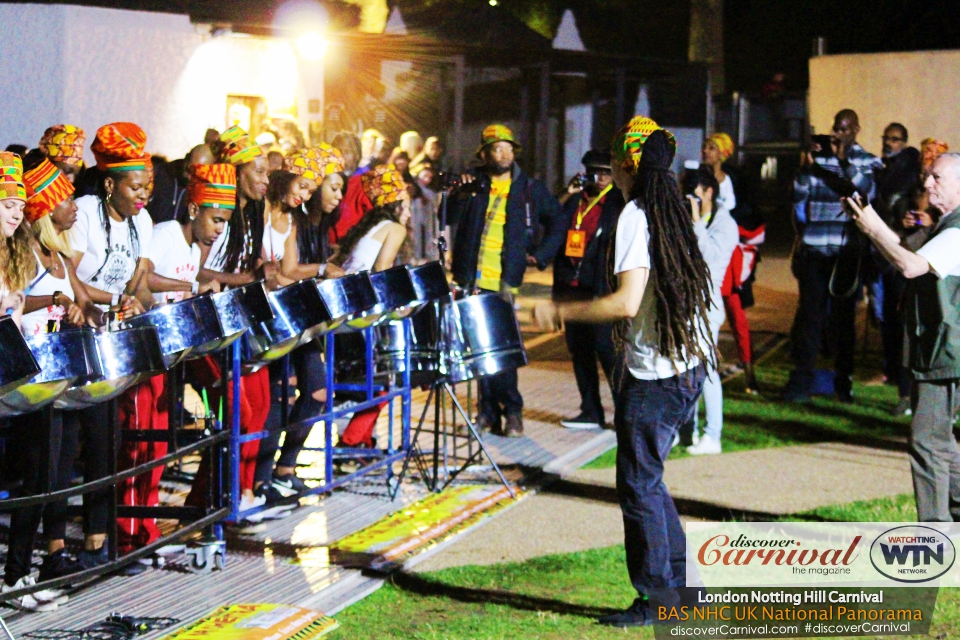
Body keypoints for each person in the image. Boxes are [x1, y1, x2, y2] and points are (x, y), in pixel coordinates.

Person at [532, 121, 713, 627]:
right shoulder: (675, 206)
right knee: (648, 482)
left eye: (613, 163)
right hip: (684, 366)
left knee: (637, 485)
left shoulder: (636, 213)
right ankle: (679, 590)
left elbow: (626, 301)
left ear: (625, 166)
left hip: (658, 374)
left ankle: (658, 599)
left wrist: (565, 311)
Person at [845, 152, 960, 522]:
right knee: (940, 442)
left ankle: (936, 536)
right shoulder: (946, 226)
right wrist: (873, 223)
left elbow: (909, 266)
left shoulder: (957, 231)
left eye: (938, 178)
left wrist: (872, 229)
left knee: (927, 442)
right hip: (942, 348)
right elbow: (905, 251)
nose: (927, 184)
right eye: (928, 176)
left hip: (945, 351)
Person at [70, 123, 157, 563]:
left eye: (147, 186)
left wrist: (146, 307)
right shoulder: (85, 211)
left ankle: (100, 544)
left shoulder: (142, 221)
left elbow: (139, 284)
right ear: (110, 183)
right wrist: (115, 298)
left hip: (113, 342)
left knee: (108, 441)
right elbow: (73, 276)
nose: (143, 195)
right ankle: (57, 547)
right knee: (70, 445)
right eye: (134, 186)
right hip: (75, 336)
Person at [449, 124, 565, 437]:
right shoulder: (475, 185)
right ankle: (487, 415)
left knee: (502, 352)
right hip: (472, 279)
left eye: (508, 148)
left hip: (504, 282)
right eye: (496, 149)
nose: (503, 154)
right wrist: (458, 191)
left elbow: (558, 221)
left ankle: (512, 412)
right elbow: (447, 217)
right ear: (484, 154)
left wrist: (540, 255)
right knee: (479, 352)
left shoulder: (529, 189)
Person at [254, 145, 347, 504]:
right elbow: (260, 265)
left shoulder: (293, 221)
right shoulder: (261, 212)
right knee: (276, 396)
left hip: (288, 314)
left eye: (310, 190)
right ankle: (262, 481)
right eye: (303, 186)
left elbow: (290, 271)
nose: (305, 195)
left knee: (315, 391)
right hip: (265, 316)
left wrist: (324, 269)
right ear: (289, 176)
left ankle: (281, 473)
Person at [785, 108, 881, 403]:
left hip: (846, 253)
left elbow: (865, 192)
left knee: (843, 321)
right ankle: (801, 382)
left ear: (856, 130)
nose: (837, 134)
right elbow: (800, 197)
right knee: (811, 319)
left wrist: (842, 161)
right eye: (835, 128)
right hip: (816, 248)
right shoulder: (818, 158)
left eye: (844, 129)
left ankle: (843, 382)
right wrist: (804, 170)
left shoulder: (866, 160)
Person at [334, 164, 412, 450]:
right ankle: (352, 441)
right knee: (383, 382)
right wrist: (399, 309)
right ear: (398, 202)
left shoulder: (372, 225)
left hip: (344, 309)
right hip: (358, 314)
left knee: (377, 380)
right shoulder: (395, 228)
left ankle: (362, 440)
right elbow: (382, 270)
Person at [553, 149, 625, 430]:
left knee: (607, 350)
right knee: (579, 350)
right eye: (597, 172)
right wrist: (565, 193)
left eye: (608, 172)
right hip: (572, 287)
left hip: (600, 288)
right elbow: (552, 225)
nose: (602, 178)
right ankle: (590, 411)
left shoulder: (617, 202)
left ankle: (623, 412)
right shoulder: (574, 201)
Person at [702, 132, 763, 393]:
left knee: (735, 310)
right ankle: (705, 365)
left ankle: (748, 368)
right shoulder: (696, 178)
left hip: (730, 252)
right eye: (705, 146)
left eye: (712, 147)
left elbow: (750, 211)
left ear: (724, 153)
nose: (706, 151)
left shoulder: (734, 180)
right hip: (703, 247)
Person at [683, 166, 738, 455]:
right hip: (685, 302)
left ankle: (712, 435)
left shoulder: (725, 224)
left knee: (706, 371)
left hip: (707, 304)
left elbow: (710, 261)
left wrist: (696, 224)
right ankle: (688, 430)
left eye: (696, 195)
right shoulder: (694, 217)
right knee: (685, 369)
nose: (691, 201)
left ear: (709, 192)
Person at [872, 123, 922, 414]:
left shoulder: (907, 171)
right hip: (886, 257)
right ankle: (895, 379)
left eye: (895, 139)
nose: (889, 143)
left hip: (904, 255)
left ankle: (906, 392)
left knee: (905, 328)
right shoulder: (884, 170)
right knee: (888, 323)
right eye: (886, 138)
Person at [0, 152, 33, 326]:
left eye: (21, 208)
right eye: (9, 206)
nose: (17, 215)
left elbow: (15, 330)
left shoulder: (16, 258)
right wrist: (2, 309)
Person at [148, 143, 215, 224]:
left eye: (196, 175)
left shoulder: (204, 192)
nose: (190, 177)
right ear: (186, 157)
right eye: (189, 170)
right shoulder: (157, 174)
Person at [409, 162, 439, 263]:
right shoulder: (412, 187)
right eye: (425, 176)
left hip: (426, 219)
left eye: (430, 177)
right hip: (413, 218)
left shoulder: (430, 192)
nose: (427, 179)